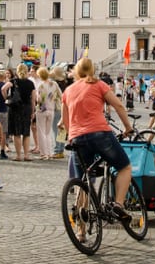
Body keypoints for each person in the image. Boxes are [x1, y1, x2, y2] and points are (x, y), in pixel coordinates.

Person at [59, 57, 135, 222]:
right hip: (100, 134)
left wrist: (71, 136)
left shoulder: (68, 91)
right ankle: (118, 205)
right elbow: (119, 105)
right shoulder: (99, 85)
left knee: (83, 182)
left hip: (77, 138)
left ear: (76, 72)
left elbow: (66, 120)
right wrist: (127, 127)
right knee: (124, 167)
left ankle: (81, 232)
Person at [8, 64, 37, 162]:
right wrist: (33, 112)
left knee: (16, 133)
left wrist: (7, 98)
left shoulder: (13, 81)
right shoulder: (30, 83)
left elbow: (3, 88)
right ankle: (26, 155)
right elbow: (33, 99)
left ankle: (18, 155)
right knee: (26, 133)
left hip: (16, 108)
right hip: (27, 108)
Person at [35, 66, 61, 160]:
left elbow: (39, 99)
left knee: (41, 132)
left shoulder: (40, 85)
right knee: (48, 132)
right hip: (51, 109)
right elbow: (60, 95)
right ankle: (50, 152)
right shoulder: (54, 84)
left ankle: (44, 153)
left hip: (42, 109)